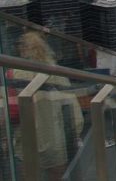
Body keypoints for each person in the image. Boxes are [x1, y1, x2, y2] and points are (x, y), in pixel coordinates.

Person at [11, 32, 84, 180]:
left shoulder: (15, 73)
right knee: (57, 175)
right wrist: (75, 132)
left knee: (29, 174)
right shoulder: (57, 73)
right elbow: (72, 107)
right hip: (55, 138)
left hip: (27, 137)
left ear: (23, 49)